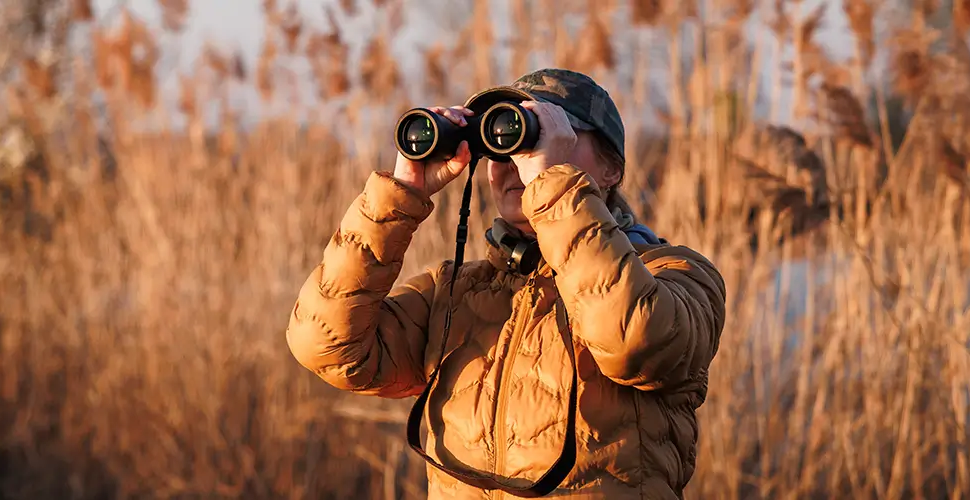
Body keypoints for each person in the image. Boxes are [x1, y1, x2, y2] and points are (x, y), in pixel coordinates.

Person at [285, 68, 727, 499]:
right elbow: (325, 345)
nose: (514, 162)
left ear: (611, 169)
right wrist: (399, 194)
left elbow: (634, 342)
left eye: (548, 135)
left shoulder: (674, 274)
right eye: (502, 142)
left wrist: (552, 184)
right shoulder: (455, 292)